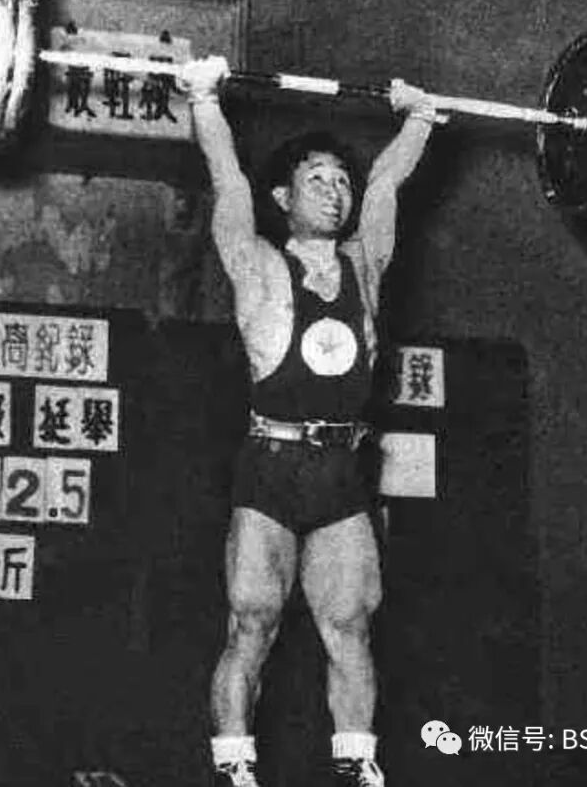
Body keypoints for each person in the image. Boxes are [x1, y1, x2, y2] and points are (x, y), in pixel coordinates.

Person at [177, 56, 443, 787]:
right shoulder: (258, 266)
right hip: (270, 466)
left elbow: (387, 183)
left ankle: (356, 763)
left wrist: (419, 118)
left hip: (338, 473)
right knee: (251, 624)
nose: (336, 190)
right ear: (284, 197)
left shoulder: (365, 265)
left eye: (340, 181)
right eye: (318, 179)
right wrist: (204, 98)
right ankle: (235, 769)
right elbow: (228, 180)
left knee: (350, 625)